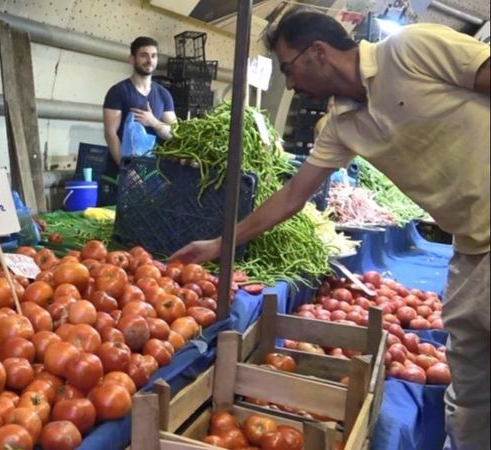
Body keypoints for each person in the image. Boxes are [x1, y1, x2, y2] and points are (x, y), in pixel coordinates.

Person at [170, 10, 490, 450]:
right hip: (471, 249)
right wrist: (220, 245)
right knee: (471, 393)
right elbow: (290, 198)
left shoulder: (411, 49)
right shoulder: (339, 125)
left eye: (289, 69)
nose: (293, 83)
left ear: (317, 52)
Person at [103, 37, 177, 165]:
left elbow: (174, 133)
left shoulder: (164, 94)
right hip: (121, 170)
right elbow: (110, 134)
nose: (150, 60)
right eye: (144, 55)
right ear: (132, 59)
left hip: (152, 170)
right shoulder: (118, 92)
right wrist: (125, 167)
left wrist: (153, 122)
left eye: (153, 56)